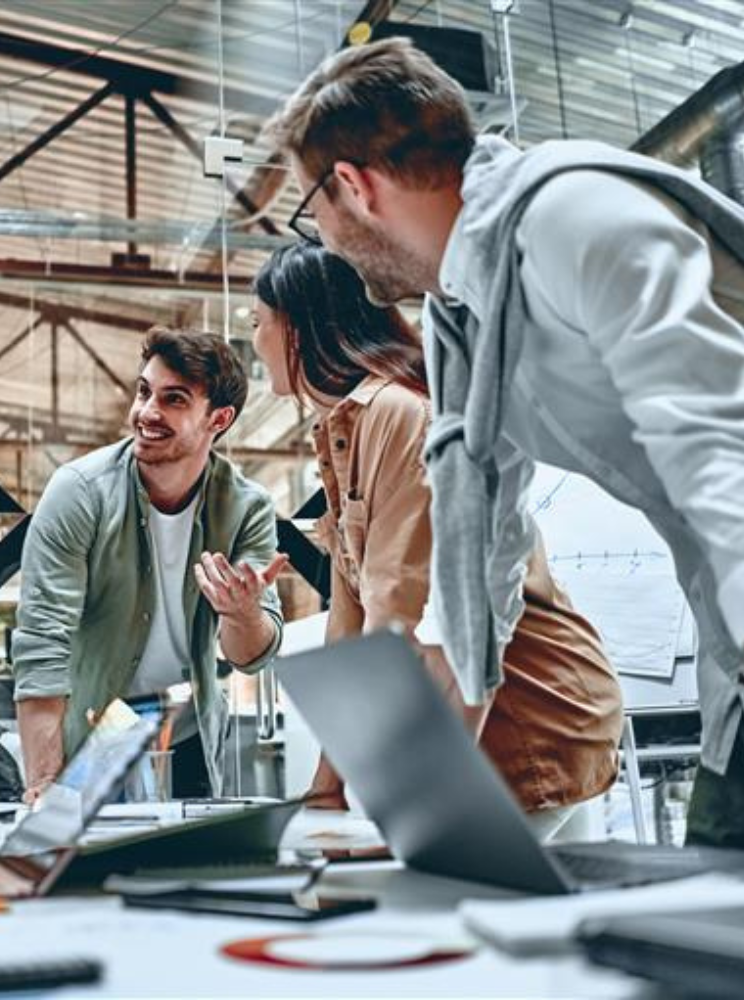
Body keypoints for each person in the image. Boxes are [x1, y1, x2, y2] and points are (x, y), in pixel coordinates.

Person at [269, 36, 744, 846]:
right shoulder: (461, 322)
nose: (326, 242)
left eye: (312, 213)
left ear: (351, 186)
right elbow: (473, 568)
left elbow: (723, 472)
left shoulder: (574, 217)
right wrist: (424, 811)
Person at [252, 242, 622, 835]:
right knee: (510, 918)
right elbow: (350, 614)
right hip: (502, 721)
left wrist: (377, 789)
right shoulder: (343, 427)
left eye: (257, 324)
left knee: (444, 911)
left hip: (530, 716)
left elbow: (392, 612)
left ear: (295, 328)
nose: (254, 342)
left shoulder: (394, 412)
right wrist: (325, 787)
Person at [13, 328, 285, 800]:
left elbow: (250, 654)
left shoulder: (247, 507)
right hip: (97, 734)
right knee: (91, 869)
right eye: (144, 392)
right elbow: (42, 641)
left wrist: (242, 614)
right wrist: (43, 781)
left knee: (193, 869)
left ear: (218, 419)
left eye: (174, 399)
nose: (147, 413)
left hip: (189, 732)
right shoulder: (79, 491)